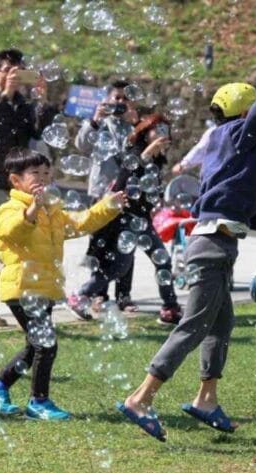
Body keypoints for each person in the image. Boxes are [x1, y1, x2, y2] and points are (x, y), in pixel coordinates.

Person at [116, 22, 256, 442]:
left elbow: (245, 207)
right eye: (255, 114)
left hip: (215, 241)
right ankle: (141, 398)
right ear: (246, 114)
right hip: (212, 246)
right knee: (194, 323)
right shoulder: (241, 136)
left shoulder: (221, 146)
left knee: (220, 325)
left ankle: (206, 398)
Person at [0, 148, 126, 419]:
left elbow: (81, 223)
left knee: (36, 344)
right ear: (15, 181)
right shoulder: (10, 209)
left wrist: (107, 205)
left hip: (44, 288)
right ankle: (38, 402)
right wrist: (32, 209)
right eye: (35, 173)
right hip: (22, 287)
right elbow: (11, 231)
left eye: (46, 173)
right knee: (46, 344)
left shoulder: (54, 212)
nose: (43, 178)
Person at [68, 114, 183, 325]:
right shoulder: (134, 153)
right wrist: (147, 155)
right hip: (125, 219)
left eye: (165, 130)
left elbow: (148, 191)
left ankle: (170, 307)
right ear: (145, 132)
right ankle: (80, 295)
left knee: (163, 260)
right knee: (118, 267)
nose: (162, 135)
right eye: (157, 130)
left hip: (141, 219)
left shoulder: (157, 160)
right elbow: (123, 181)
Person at [0, 48, 54, 327]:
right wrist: (4, 94)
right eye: (7, 70)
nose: (13, 76)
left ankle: (14, 305)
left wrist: (43, 99)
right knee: (2, 245)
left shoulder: (25, 105)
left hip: (19, 185)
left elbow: (39, 130)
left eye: (18, 71)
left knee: (20, 245)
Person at [75, 80, 140, 313]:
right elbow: (81, 145)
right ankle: (98, 294)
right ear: (107, 100)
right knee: (100, 245)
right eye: (117, 98)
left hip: (127, 193)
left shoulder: (135, 126)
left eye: (125, 98)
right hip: (101, 194)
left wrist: (135, 125)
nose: (121, 103)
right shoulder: (99, 123)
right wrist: (95, 119)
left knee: (126, 244)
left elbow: (141, 156)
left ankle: (124, 295)